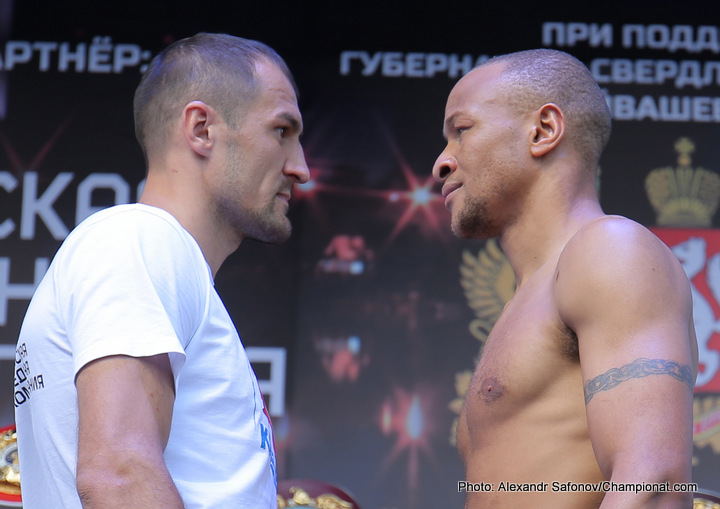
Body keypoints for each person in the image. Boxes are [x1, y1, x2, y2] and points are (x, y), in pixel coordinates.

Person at [14, 33, 309, 508]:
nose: (301, 168)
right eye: (281, 131)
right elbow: (119, 475)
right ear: (200, 129)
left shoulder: (154, 253)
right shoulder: (142, 239)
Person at [432, 49, 698, 508]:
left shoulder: (610, 250)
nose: (442, 162)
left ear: (543, 131)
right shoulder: (533, 294)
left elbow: (652, 484)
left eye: (462, 132)